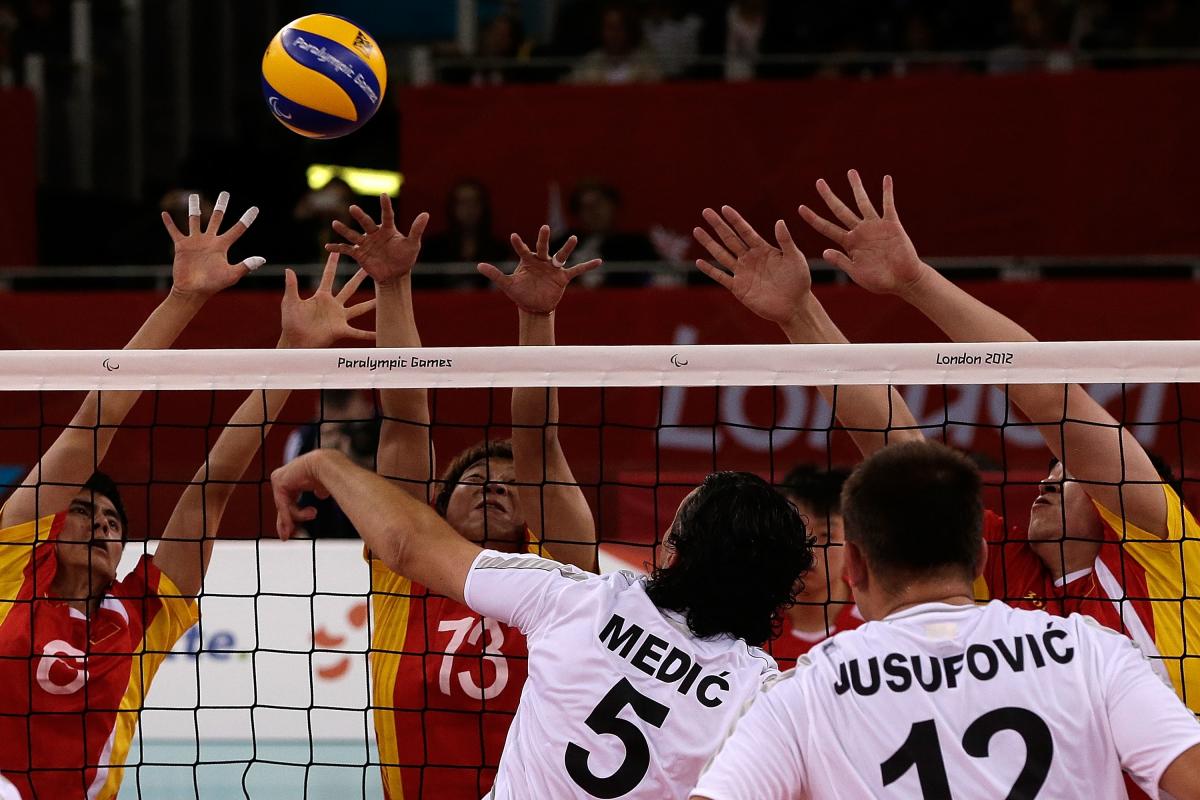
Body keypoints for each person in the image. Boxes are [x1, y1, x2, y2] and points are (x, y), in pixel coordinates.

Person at [0, 195, 375, 799]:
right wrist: (185, 299)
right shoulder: (11, 564)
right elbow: (95, 420)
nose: (99, 525)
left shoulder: (144, 612)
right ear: (51, 524)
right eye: (85, 511)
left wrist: (292, 358)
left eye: (112, 520)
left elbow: (211, 489)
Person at [797, 170, 1200, 716]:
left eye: (1068, 474)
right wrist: (799, 312)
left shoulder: (1166, 554)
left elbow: (1052, 396)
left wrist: (916, 281)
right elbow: (897, 447)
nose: (1049, 481)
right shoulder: (1002, 569)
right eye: (1050, 471)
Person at [272, 447, 813, 798]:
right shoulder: (763, 695)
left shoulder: (575, 597)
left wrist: (327, 464)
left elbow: (409, 543)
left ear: (674, 549)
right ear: (781, 591)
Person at [692, 441, 1200, 800]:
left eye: (1066, 473)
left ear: (853, 565)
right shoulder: (1092, 650)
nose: (1047, 481)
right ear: (978, 559)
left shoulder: (804, 686)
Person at [326, 199, 601, 797]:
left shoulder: (563, 575)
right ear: (437, 508)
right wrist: (392, 284)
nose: (492, 487)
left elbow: (539, 444)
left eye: (508, 484)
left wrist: (538, 321)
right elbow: (404, 418)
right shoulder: (404, 572)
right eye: (473, 481)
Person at [769, 465, 861, 669]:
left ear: (852, 540)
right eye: (795, 531)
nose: (808, 551)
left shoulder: (874, 621)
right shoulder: (748, 621)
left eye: (826, 535)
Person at [282, 389, 380, 539]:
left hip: (377, 538)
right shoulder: (302, 439)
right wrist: (319, 465)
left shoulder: (385, 430)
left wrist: (359, 467)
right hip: (321, 541)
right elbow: (296, 509)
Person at [419, 179, 509, 288]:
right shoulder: (432, 249)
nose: (468, 209)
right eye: (463, 202)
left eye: (474, 202)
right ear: (452, 207)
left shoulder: (500, 250)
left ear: (483, 207)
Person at [568, 3, 662, 84]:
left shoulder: (647, 63)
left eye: (619, 27)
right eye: (610, 27)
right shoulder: (590, 62)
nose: (614, 33)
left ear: (630, 30)